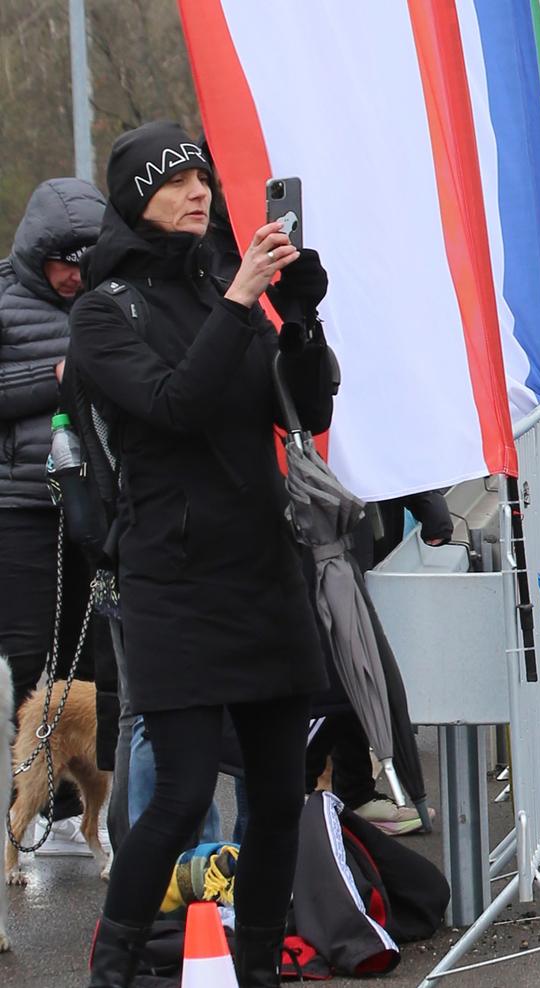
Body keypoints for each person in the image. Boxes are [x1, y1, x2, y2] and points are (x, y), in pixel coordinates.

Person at [68, 121, 338, 986]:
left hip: (262, 571)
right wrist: (238, 304)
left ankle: (256, 969)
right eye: (176, 181)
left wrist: (298, 322)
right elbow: (176, 405)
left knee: (276, 795)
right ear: (135, 199)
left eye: (203, 180)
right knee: (181, 793)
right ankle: (110, 971)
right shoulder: (104, 312)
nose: (200, 194)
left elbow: (306, 408)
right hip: (174, 584)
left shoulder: (223, 281)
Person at [0, 178, 112, 855]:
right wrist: (59, 374)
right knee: (31, 662)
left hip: (95, 501)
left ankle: (84, 808)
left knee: (95, 661)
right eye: (62, 262)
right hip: (20, 506)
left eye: (86, 261)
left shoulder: (110, 298)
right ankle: (27, 808)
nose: (74, 276)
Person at [305, 491, 453, 836]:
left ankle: (351, 794)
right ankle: (320, 800)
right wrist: (430, 507)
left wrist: (429, 505)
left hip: (337, 530)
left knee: (351, 676)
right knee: (337, 677)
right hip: (314, 535)